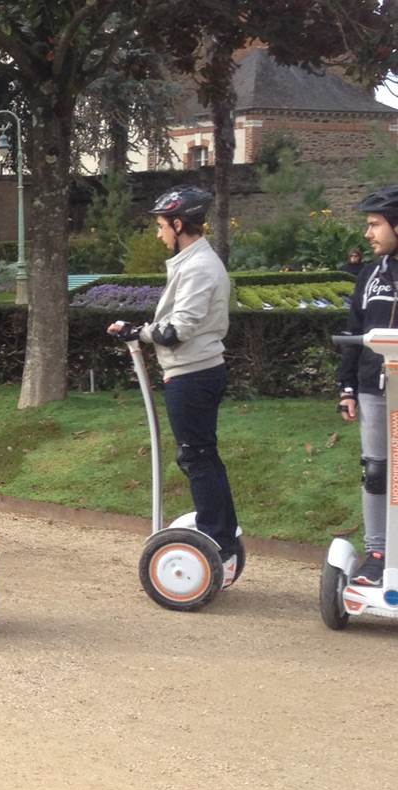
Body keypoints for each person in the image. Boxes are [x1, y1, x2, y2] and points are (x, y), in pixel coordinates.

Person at [106, 186, 241, 579]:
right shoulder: (192, 262)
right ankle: (223, 535)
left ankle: (217, 539)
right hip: (192, 371)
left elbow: (177, 329)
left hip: (194, 373)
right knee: (202, 455)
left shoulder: (199, 267)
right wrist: (140, 331)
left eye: (162, 225)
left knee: (196, 457)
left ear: (179, 224)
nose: (159, 233)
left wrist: (139, 332)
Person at [337, 186, 398, 585]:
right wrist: (346, 387)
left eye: (375, 224)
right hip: (374, 390)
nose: (368, 233)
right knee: (376, 471)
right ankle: (378, 554)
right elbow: (354, 329)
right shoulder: (371, 274)